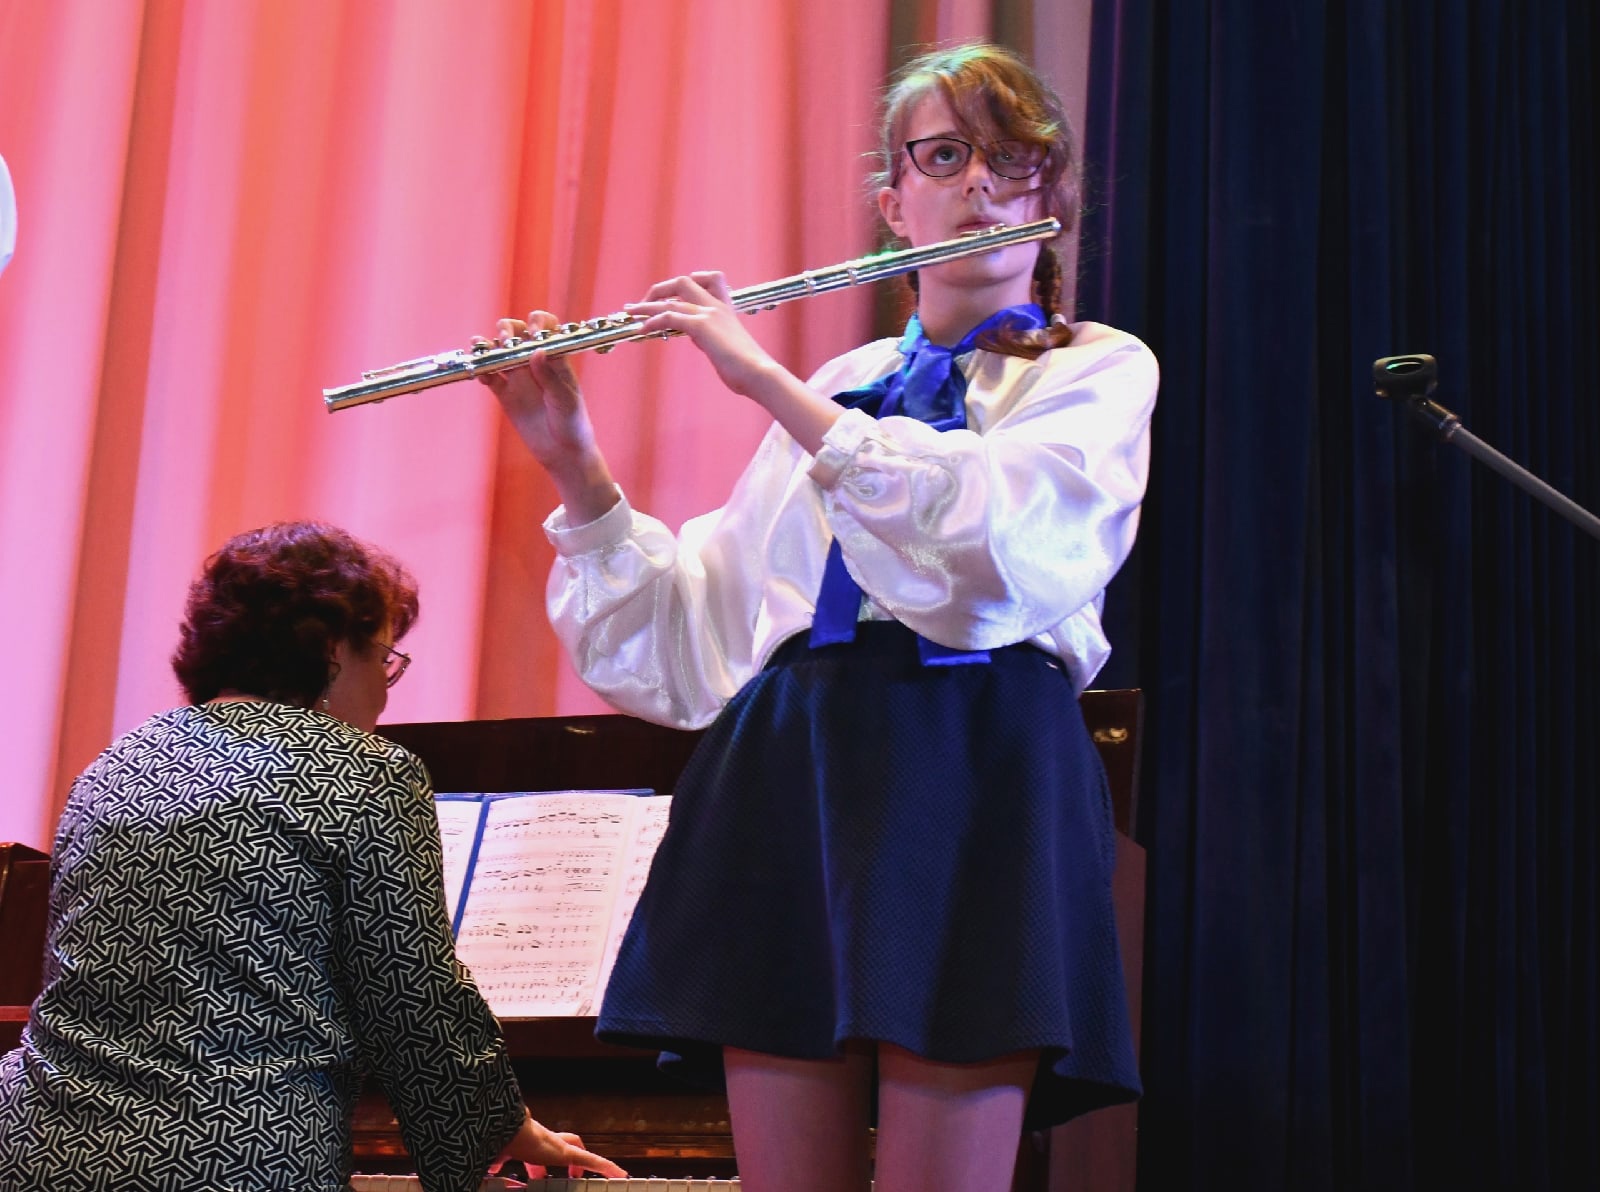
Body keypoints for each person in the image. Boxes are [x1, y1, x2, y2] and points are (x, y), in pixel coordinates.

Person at [482, 43, 1157, 1192]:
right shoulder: (844, 381)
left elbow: (988, 551)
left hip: (976, 754)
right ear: (894, 203)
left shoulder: (1090, 369)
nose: (980, 181)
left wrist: (760, 377)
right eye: (944, 155)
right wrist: (577, 469)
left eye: (1012, 158)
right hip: (792, 762)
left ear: (1048, 195)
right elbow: (702, 636)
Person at [0, 521, 624, 1192]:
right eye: (383, 658)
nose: (385, 689)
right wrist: (497, 1129)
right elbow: (412, 995)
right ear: (331, 649)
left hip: (37, 1144)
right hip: (239, 1156)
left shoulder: (115, 766)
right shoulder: (364, 771)